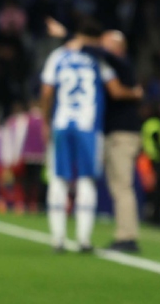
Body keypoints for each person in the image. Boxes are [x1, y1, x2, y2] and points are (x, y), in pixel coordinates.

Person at [38, 21, 109, 253]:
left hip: (62, 122)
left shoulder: (58, 56)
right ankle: (83, 240)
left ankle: (57, 239)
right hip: (89, 126)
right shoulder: (96, 58)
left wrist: (45, 120)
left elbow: (47, 91)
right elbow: (113, 84)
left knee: (58, 179)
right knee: (86, 181)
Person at [96, 31, 145, 252]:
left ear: (118, 47)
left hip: (123, 134)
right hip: (117, 133)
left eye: (105, 44)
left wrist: (70, 36)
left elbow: (117, 92)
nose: (101, 47)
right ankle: (124, 235)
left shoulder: (122, 65)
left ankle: (127, 237)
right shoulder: (116, 67)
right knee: (118, 185)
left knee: (122, 185)